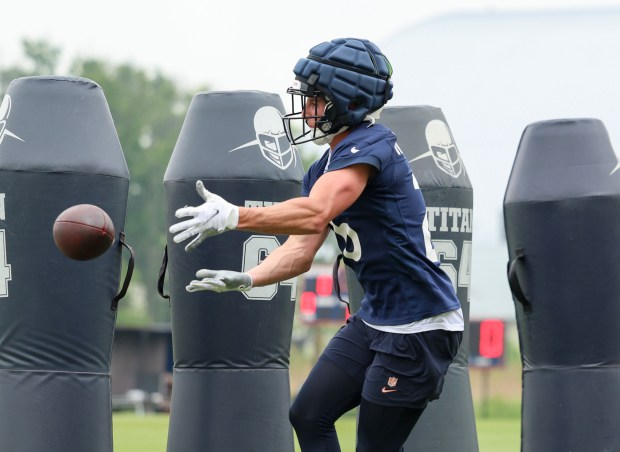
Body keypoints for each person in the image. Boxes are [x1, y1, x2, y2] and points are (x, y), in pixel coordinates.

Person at [169, 37, 464, 452]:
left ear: (346, 99)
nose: (306, 108)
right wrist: (247, 278)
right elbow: (300, 251)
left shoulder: (370, 148)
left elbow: (315, 212)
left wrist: (235, 216)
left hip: (419, 325)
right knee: (308, 414)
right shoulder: (326, 166)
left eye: (315, 97)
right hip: (377, 318)